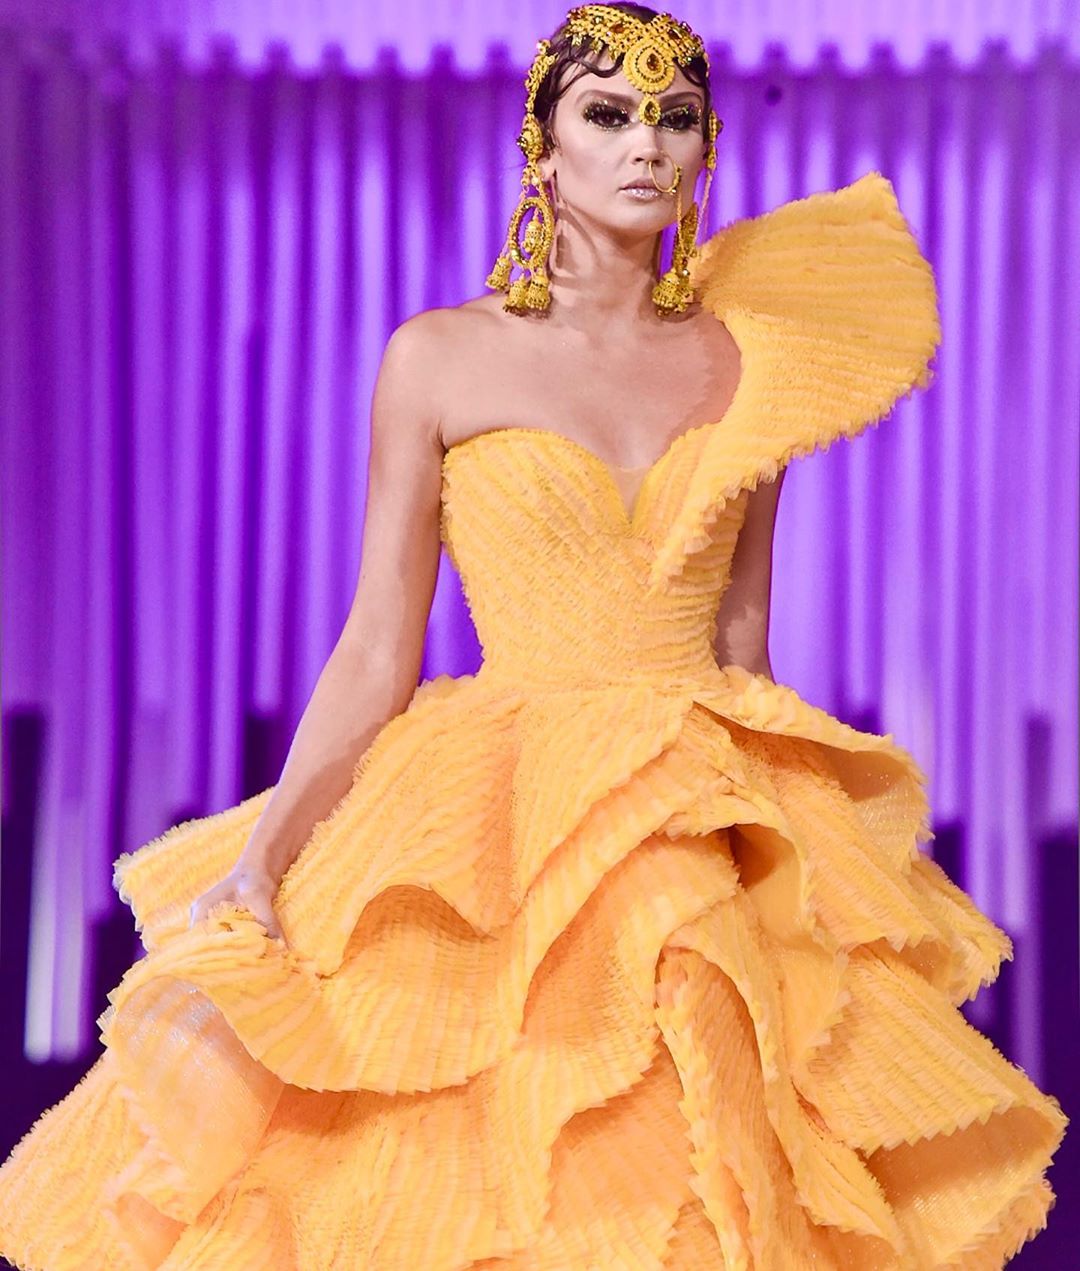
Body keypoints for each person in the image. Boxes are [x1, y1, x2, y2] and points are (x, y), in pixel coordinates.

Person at [0, 4, 1068, 1268]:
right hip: (492, 817)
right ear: (543, 148)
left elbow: (741, 647)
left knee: (709, 1180)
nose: (646, 147)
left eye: (674, 119)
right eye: (607, 116)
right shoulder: (441, 359)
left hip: (691, 809)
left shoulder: (746, 366)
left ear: (705, 146)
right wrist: (271, 854)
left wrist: (815, 874)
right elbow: (375, 642)